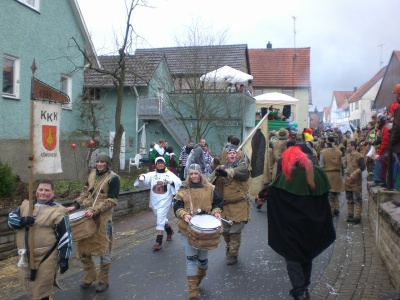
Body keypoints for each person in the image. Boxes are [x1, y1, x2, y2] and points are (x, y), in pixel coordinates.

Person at [267, 145, 336, 300]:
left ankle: (300, 291)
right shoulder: (319, 173)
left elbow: (275, 195)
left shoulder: (288, 175)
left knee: (292, 257)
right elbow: (325, 200)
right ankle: (304, 287)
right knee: (307, 255)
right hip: (312, 226)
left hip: (291, 227)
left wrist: (266, 192)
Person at [8, 179, 72, 300]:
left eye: (47, 190)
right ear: (36, 191)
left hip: (46, 257)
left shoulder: (58, 211)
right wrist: (22, 221)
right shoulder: (26, 206)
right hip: (26, 256)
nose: (43, 192)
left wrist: (64, 258)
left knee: (42, 291)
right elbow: (11, 220)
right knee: (30, 289)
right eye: (40, 189)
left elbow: (66, 236)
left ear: (52, 193)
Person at [68, 152, 120, 293]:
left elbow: (112, 200)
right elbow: (85, 192)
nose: (99, 164)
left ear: (107, 164)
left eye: (103, 162)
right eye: (98, 162)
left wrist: (95, 210)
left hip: (103, 220)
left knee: (103, 251)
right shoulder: (92, 174)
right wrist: (75, 205)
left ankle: (103, 280)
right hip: (87, 218)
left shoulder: (113, 178)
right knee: (84, 250)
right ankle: (89, 277)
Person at [173, 164, 223, 300]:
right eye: (191, 174)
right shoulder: (183, 190)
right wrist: (183, 214)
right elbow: (176, 206)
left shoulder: (211, 188)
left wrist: (216, 212)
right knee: (191, 259)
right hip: (187, 229)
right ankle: (192, 289)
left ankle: (198, 277)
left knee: (203, 261)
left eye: (196, 173)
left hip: (205, 231)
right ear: (188, 175)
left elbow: (218, 203)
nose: (194, 176)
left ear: (200, 174)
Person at [209, 147, 250, 265]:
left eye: (234, 153)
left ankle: (233, 254)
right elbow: (208, 180)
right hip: (224, 206)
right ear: (226, 157)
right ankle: (230, 247)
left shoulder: (243, 166)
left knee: (235, 231)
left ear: (237, 155)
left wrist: (226, 173)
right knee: (226, 231)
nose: (232, 155)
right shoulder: (220, 168)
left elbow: (240, 173)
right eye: (229, 153)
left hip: (239, 204)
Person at [135, 157, 182, 250]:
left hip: (165, 200)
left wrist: (172, 182)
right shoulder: (153, 174)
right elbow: (145, 177)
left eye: (162, 163)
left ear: (164, 164)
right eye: (158, 163)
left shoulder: (169, 174)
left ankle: (158, 241)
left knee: (160, 217)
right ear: (155, 165)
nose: (160, 164)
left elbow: (178, 182)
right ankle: (169, 231)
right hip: (154, 201)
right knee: (160, 218)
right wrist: (141, 178)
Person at [319, 136, 344, 216]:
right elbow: (341, 164)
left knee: (329, 194)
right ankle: (337, 209)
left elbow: (321, 165)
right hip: (337, 174)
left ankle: (331, 210)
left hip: (328, 174)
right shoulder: (339, 152)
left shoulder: (323, 152)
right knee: (335, 193)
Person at [343, 140, 366, 224]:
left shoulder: (359, 156)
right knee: (349, 199)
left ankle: (357, 216)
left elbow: (363, 167)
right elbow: (346, 165)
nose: (347, 148)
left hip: (356, 180)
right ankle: (350, 214)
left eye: (349, 146)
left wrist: (355, 173)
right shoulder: (347, 155)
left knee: (357, 199)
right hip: (348, 179)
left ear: (353, 146)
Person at [390, 83, 400, 190]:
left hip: (399, 146)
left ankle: (397, 194)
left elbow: (397, 128)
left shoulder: (398, 109)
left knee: (397, 170)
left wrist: (391, 142)